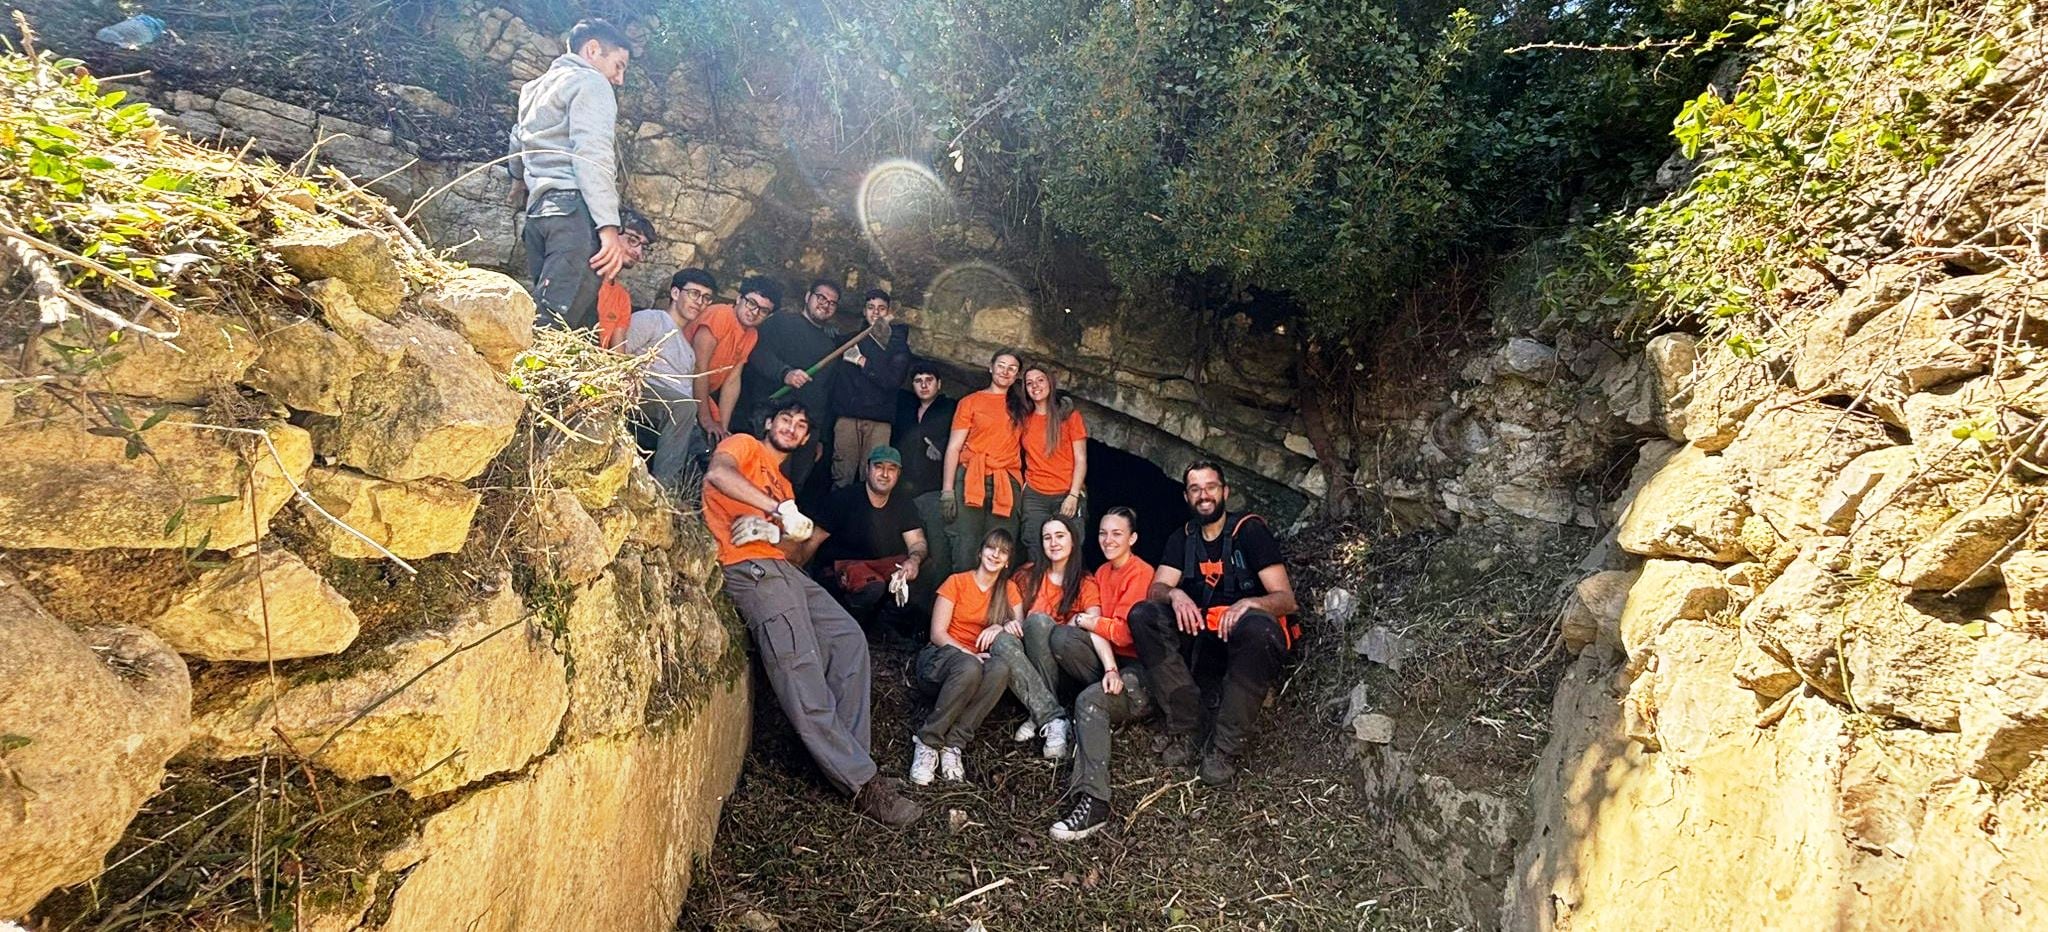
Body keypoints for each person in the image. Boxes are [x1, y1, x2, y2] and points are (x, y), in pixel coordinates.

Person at [702, 398, 921, 825]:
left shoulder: (784, 486)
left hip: (781, 568)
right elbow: (718, 474)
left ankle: (845, 757)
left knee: (847, 639)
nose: (792, 427)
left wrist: (777, 528)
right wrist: (774, 511)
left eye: (801, 425)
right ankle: (862, 784)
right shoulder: (745, 446)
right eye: (786, 418)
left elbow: (792, 551)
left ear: (805, 439)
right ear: (769, 421)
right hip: (746, 569)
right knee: (800, 663)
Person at [1133, 462, 1299, 786]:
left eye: (1210, 487)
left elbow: (1286, 599)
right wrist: (1176, 594)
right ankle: (1187, 724)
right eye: (1195, 489)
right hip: (1202, 638)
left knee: (1261, 629)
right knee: (1144, 615)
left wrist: (1250, 603)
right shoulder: (1182, 539)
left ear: (1225, 492)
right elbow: (1157, 588)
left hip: (1244, 638)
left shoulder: (1249, 532)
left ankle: (1225, 746)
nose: (1203, 495)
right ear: (1186, 496)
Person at [509, 18, 634, 330]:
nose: (619, 79)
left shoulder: (533, 88)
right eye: (618, 66)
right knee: (557, 324)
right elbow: (592, 154)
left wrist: (517, 181)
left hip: (539, 215)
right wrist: (608, 227)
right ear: (592, 50)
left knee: (545, 309)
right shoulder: (592, 83)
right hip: (573, 213)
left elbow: (517, 140)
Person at [1047, 507, 1155, 840]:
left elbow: (1124, 634)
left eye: (1117, 534)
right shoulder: (1101, 574)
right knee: (1061, 637)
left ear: (1133, 538)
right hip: (1112, 662)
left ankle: (1094, 803)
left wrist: (1089, 621)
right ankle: (1057, 710)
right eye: (1103, 533)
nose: (1108, 540)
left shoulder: (1142, 573)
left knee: (1089, 702)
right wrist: (1106, 660)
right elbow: (1098, 629)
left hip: (1140, 671)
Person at [912, 529, 1024, 785]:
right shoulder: (957, 582)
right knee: (971, 666)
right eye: (991, 548)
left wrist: (999, 627)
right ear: (980, 552)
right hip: (940, 660)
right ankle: (928, 742)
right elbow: (937, 633)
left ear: (1008, 561)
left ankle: (954, 745)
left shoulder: (1008, 589)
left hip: (977, 666)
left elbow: (1019, 627)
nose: (995, 554)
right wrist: (968, 654)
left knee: (1001, 669)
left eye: (1003, 551)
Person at [988, 515, 1100, 761]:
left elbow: (1095, 619)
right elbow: (1010, 610)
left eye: (1060, 536)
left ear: (1073, 541)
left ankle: (1039, 712)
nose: (1053, 542)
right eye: (1047, 537)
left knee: (1038, 622)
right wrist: (1004, 625)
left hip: (1064, 661)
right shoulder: (1026, 575)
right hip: (1030, 660)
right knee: (1002, 641)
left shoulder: (1084, 581)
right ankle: (1052, 717)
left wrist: (1071, 622)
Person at [810, 445, 931, 642]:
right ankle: (848, 631)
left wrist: (914, 561)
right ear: (868, 469)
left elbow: (917, 542)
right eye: (879, 467)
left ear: (898, 474)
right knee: (872, 586)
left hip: (884, 566)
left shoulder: (903, 503)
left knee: (926, 569)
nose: (884, 474)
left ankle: (884, 627)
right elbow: (814, 540)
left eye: (891, 469)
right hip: (846, 567)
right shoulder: (843, 499)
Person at [619, 267, 716, 485]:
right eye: (694, 293)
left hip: (673, 415)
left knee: (707, 462)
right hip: (641, 395)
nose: (700, 302)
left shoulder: (690, 352)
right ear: (675, 293)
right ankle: (664, 488)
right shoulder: (652, 319)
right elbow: (618, 356)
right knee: (685, 406)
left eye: (706, 298)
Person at [940, 349, 1027, 574]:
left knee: (1002, 546)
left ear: (1017, 375)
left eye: (1012, 368)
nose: (1005, 372)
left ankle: (994, 607)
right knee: (966, 546)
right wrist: (947, 490)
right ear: (991, 367)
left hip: (1006, 480)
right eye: (1001, 365)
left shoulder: (1021, 405)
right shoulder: (970, 402)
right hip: (971, 476)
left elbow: (1045, 419)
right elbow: (954, 447)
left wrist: (1062, 408)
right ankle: (962, 604)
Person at [831, 289, 911, 489]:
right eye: (871, 307)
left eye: (881, 308)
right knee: (842, 474)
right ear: (864, 311)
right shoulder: (850, 340)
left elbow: (893, 380)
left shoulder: (897, 346)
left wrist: (862, 361)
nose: (875, 313)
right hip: (848, 417)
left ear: (888, 312)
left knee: (874, 479)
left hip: (879, 420)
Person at [687, 275, 778, 445]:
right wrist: (706, 420)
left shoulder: (752, 335)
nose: (755, 312)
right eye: (751, 303)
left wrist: (723, 426)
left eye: (763, 310)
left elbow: (732, 381)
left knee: (720, 439)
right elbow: (699, 366)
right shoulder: (721, 314)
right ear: (738, 299)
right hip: (681, 384)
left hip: (702, 393)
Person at [892, 361, 957, 585]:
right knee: (904, 546)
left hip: (933, 490)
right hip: (902, 489)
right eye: (918, 381)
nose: (924, 385)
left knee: (937, 547)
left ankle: (935, 600)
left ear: (939, 384)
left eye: (929, 380)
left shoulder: (950, 407)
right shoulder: (905, 405)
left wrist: (941, 445)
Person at [1017, 364, 1089, 564]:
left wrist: (1073, 494)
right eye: (1029, 383)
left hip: (1066, 492)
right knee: (1034, 547)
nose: (1035, 386)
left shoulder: (1070, 417)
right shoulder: (1025, 418)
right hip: (1035, 495)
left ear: (1050, 382)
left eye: (1040, 380)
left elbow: (1081, 459)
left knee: (1069, 551)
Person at [595, 208, 657, 349]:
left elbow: (617, 352)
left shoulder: (622, 298)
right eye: (633, 240)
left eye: (644, 247)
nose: (638, 253)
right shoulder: (577, 275)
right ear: (611, 234)